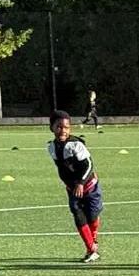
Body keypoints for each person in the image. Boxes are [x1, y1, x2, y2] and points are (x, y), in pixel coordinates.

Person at [47, 111, 104, 263]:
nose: (63, 130)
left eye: (66, 127)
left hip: (90, 186)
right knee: (78, 215)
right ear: (51, 128)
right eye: (59, 127)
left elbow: (88, 165)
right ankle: (91, 249)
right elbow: (62, 169)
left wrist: (80, 182)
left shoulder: (76, 145)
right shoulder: (51, 147)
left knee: (92, 216)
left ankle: (93, 239)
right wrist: (69, 185)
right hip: (73, 190)